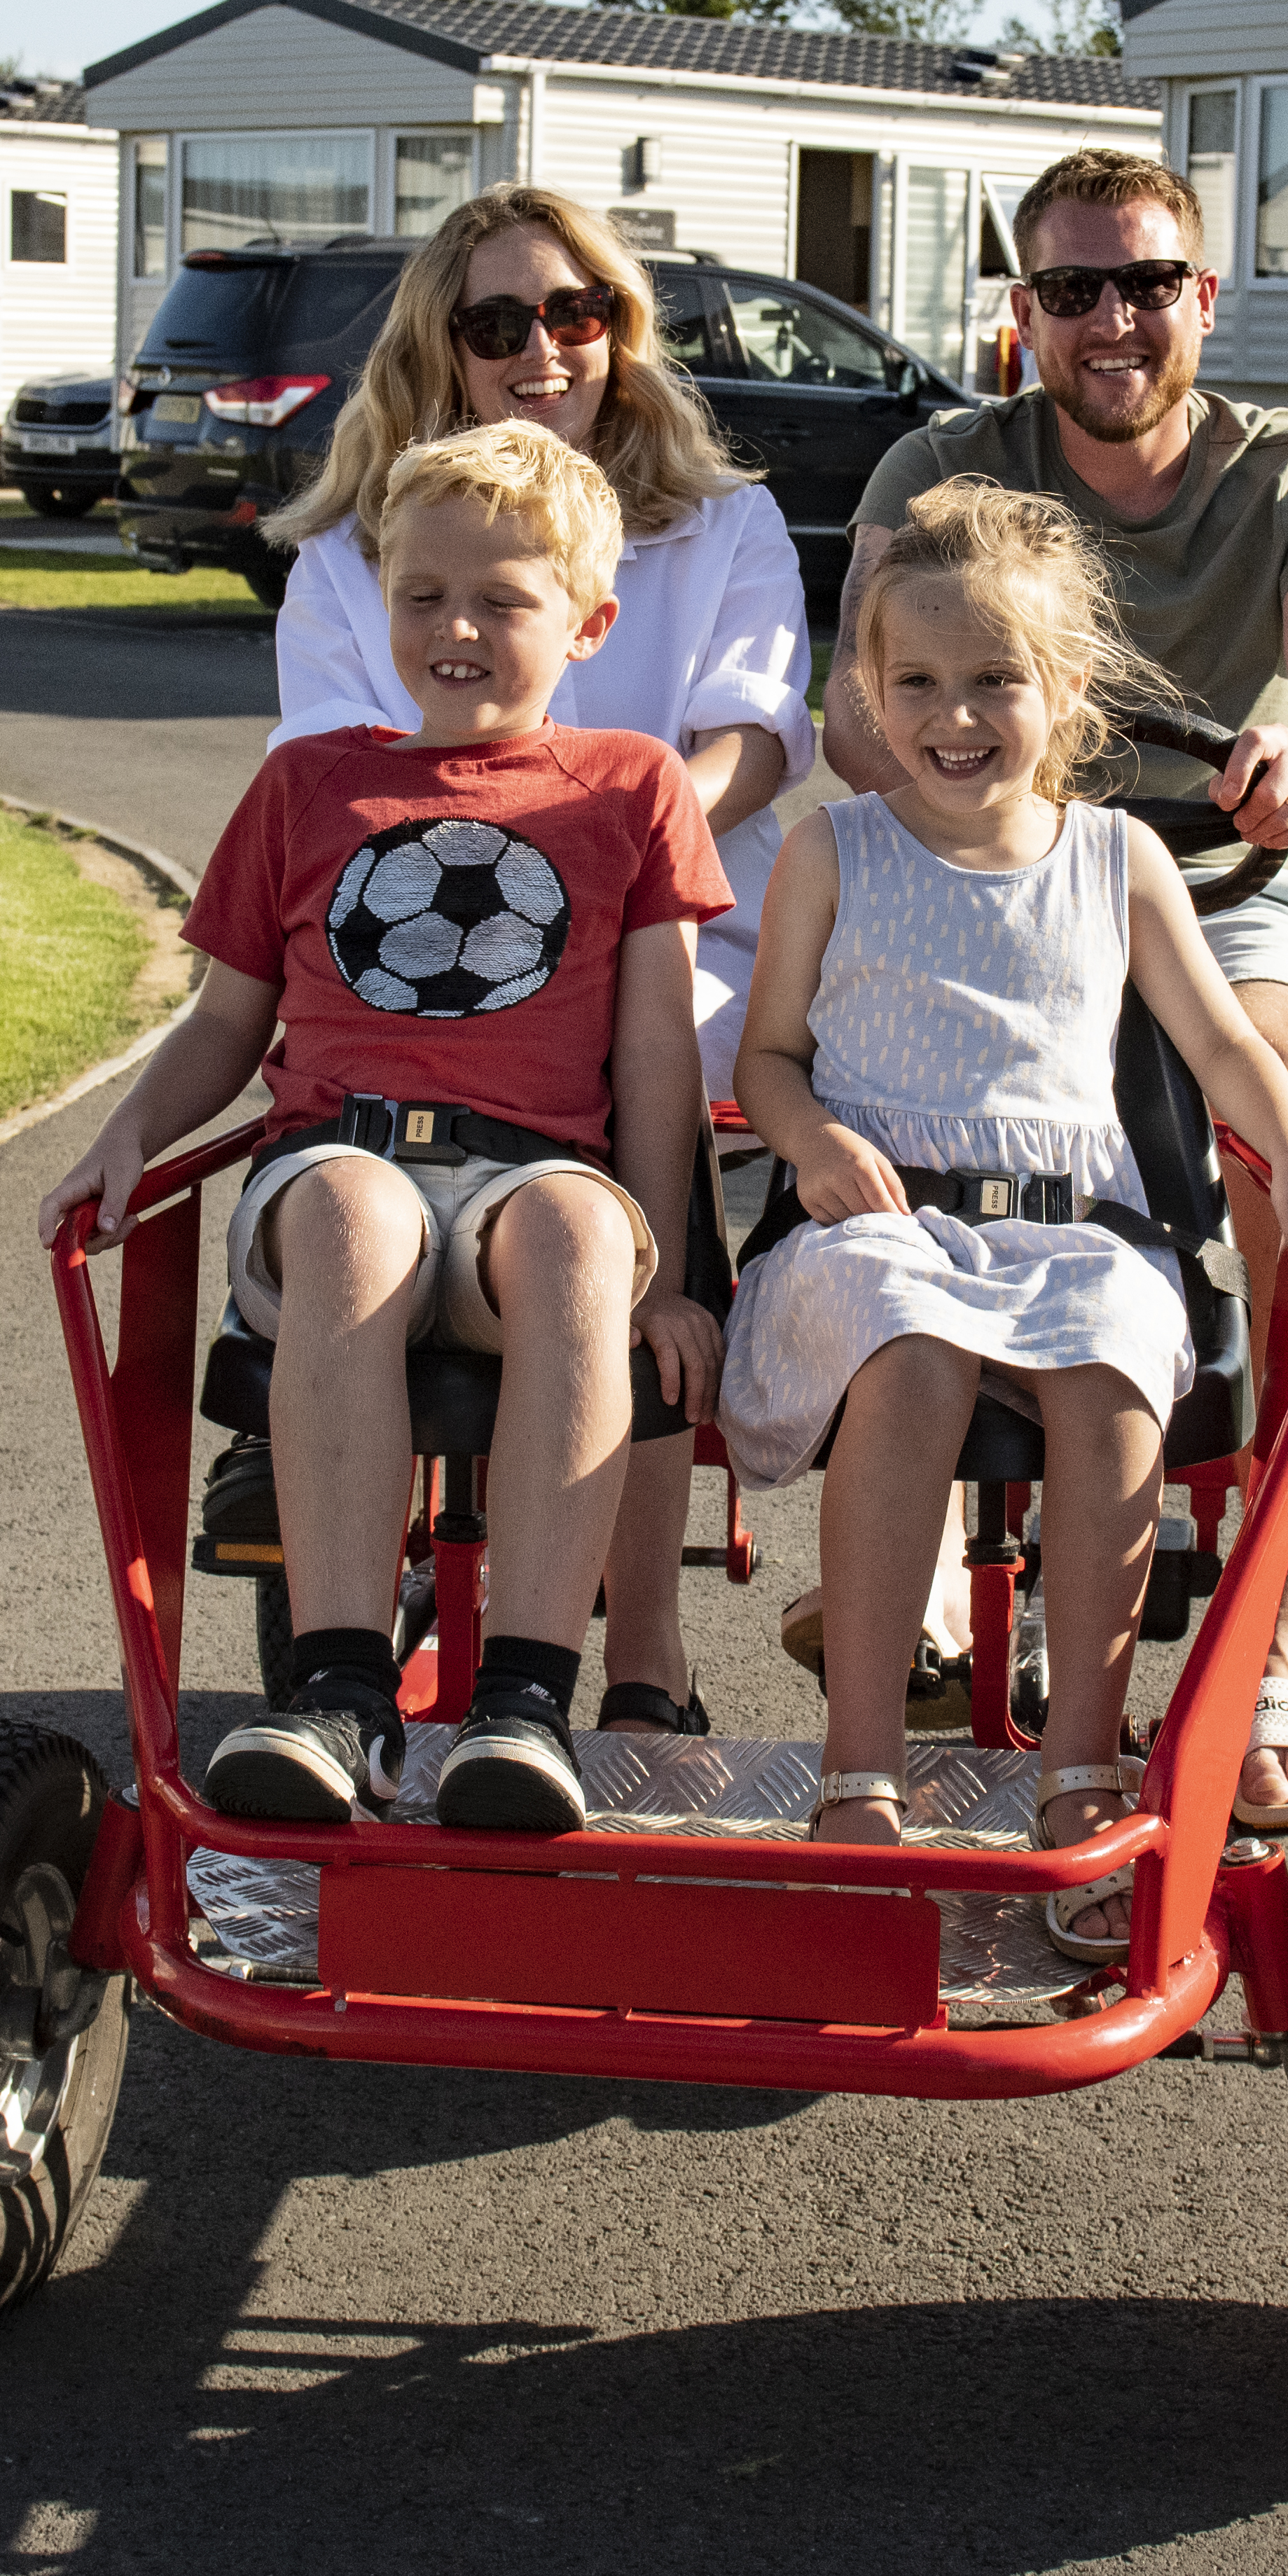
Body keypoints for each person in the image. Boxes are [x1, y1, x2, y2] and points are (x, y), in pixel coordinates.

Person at [47, 419, 730, 1835]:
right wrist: (127, 1135)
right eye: (422, 595)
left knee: (576, 1232)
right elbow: (226, 1024)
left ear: (589, 625)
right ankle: (342, 1689)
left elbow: (658, 1054)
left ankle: (525, 1704)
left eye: (501, 599)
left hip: (528, 1180)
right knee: (356, 1213)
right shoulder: (311, 785)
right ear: (381, 604)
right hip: (337, 1164)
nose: (456, 627)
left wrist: (667, 1269)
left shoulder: (631, 786)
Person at [837, 146, 1288, 1833]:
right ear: (1024, 311)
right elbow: (857, 698)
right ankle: (921, 1578)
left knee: (1277, 1111)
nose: (1113, 319)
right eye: (1073, 287)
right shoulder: (946, 464)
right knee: (884, 1122)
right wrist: (981, 809)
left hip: (1227, 887)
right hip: (996, 870)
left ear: (1202, 297)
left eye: (1147, 283)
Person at [726, 480, 1288, 1955]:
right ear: (871, 693)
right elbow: (768, 1058)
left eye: (995, 681)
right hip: (881, 1224)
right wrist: (811, 1140)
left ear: (1068, 689)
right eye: (917, 685)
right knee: (913, 1352)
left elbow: (1224, 1047)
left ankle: (1081, 1763)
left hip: (1070, 1228)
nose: (954, 719)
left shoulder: (1116, 859)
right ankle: (861, 1772)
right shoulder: (836, 853)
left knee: (1117, 1355)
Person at [265, 185, 805, 1733]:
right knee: (440, 1094)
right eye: (496, 321)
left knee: (653, 1069)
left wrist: (606, 850)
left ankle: (643, 1655)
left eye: (576, 312)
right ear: (439, 347)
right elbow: (342, 781)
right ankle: (355, 1588)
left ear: (620, 331)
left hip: (676, 913)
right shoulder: (356, 550)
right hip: (429, 940)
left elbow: (757, 734)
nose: (541, 348)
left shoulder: (719, 523)